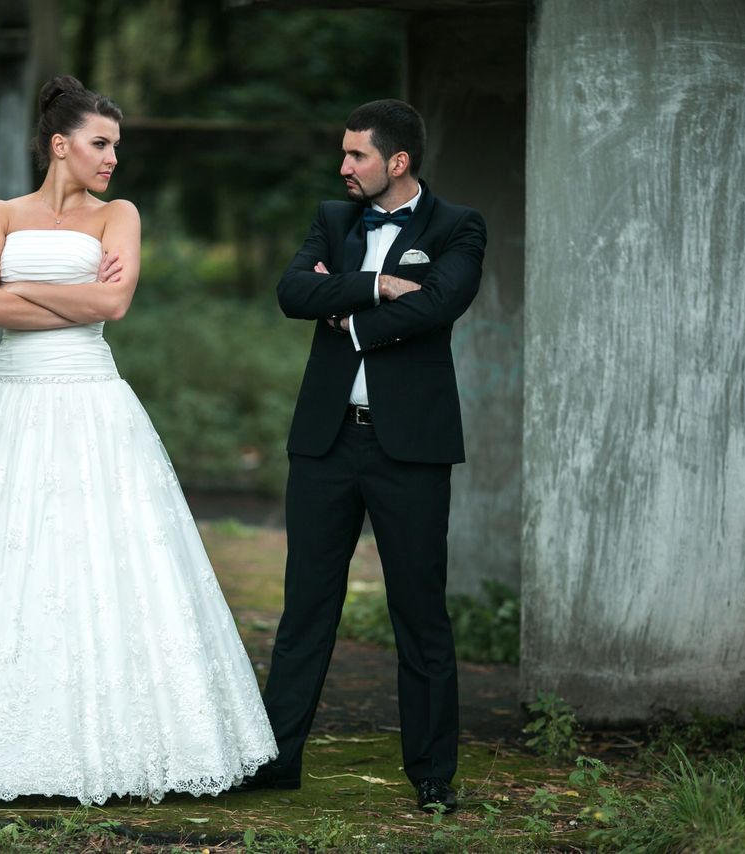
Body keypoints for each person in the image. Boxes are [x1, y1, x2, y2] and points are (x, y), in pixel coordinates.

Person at [0, 76, 276, 805]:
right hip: (14, 405)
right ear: (60, 145)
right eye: (101, 144)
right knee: (11, 561)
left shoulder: (118, 215)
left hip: (94, 400)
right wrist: (63, 296)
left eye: (116, 146)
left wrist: (22, 289)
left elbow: (112, 304)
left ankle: (129, 743)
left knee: (105, 556)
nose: (112, 158)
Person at [245, 99, 485, 814]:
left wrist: (345, 316)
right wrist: (375, 286)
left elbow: (441, 304)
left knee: (420, 612)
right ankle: (277, 758)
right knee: (305, 608)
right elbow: (293, 291)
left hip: (409, 449)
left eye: (357, 156)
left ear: (398, 162)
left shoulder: (457, 226)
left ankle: (433, 774)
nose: (343, 167)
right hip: (325, 442)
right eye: (344, 154)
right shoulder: (335, 218)